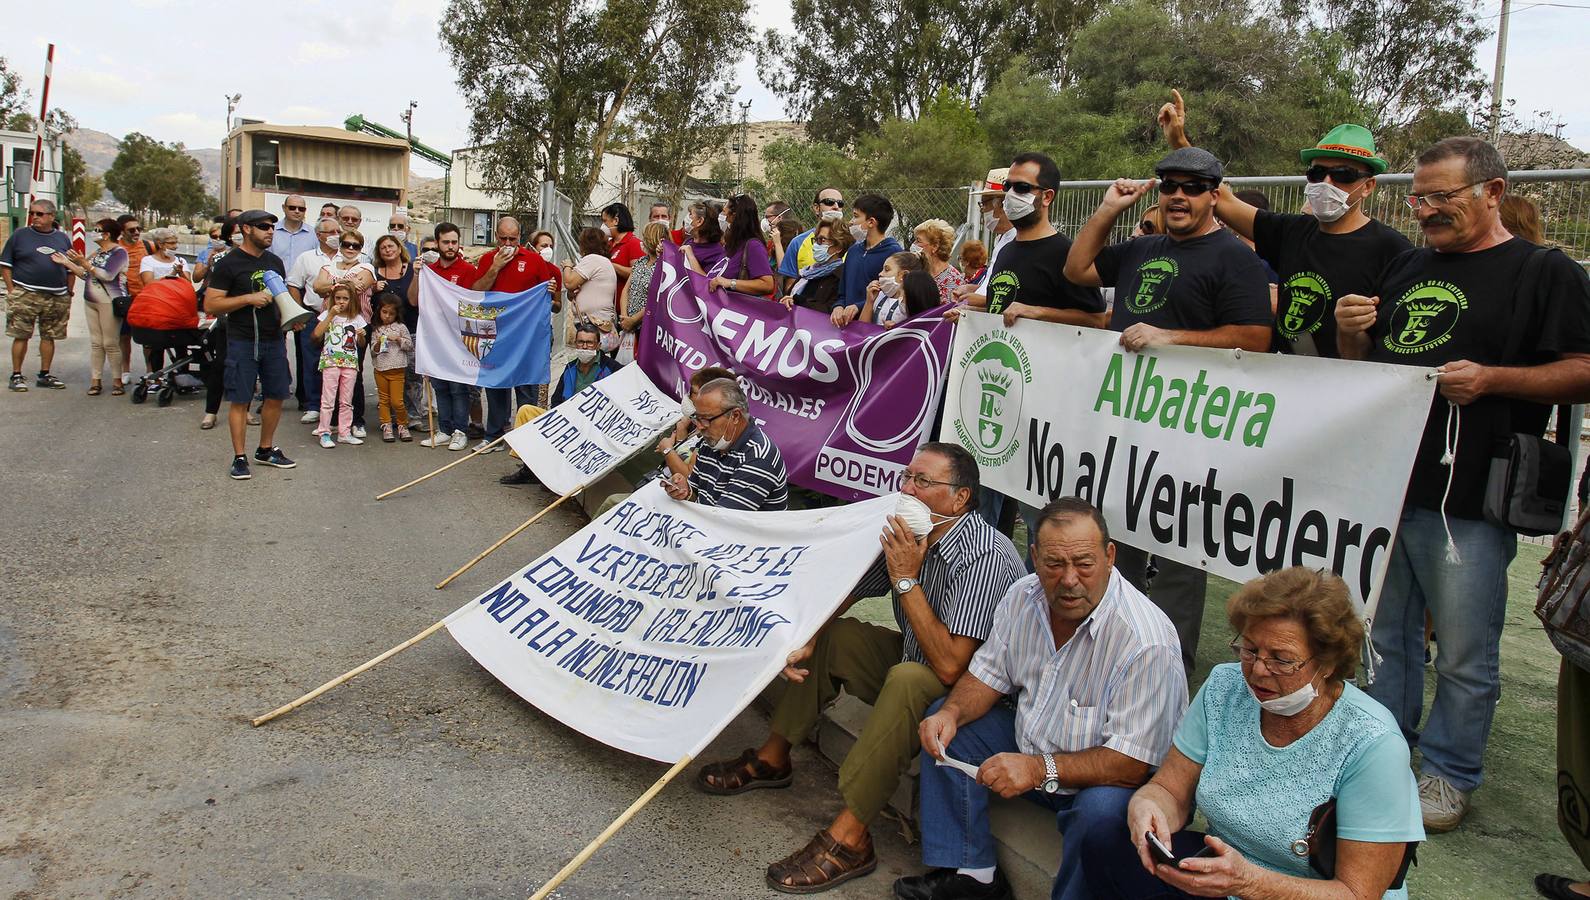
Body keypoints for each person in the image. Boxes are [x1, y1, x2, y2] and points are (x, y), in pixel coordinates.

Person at [1335, 136, 1590, 832]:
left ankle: (1447, 774)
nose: (1428, 212)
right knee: (1384, 639)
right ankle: (1380, 755)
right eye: (1419, 198)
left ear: (1494, 192)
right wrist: (1352, 333)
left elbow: (1583, 368)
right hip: (1392, 488)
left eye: (1443, 197)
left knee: (1465, 649)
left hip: (1473, 498)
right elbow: (1369, 372)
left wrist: (1493, 380)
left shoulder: (1544, 271)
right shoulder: (1409, 266)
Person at [695, 442, 1024, 893]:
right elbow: (848, 591)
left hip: (965, 692)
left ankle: (851, 834)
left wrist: (906, 577)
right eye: (906, 477)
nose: (907, 489)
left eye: (922, 481)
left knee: (908, 679)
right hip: (913, 655)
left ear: (960, 498)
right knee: (838, 636)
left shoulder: (985, 555)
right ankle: (774, 757)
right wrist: (807, 639)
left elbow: (950, 667)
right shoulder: (910, 530)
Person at [903, 497, 1186, 900]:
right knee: (947, 725)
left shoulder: (1145, 640)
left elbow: (1131, 764)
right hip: (1036, 746)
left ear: (1110, 556)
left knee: (1102, 815)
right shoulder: (1023, 596)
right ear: (1034, 557)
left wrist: (1038, 768)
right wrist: (951, 712)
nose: (1069, 579)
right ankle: (974, 873)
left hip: (1108, 778)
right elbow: (987, 675)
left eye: (1084, 564)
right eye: (1054, 564)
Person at [1086, 566, 1423, 900]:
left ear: (1328, 663)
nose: (1259, 670)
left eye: (1282, 659)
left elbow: (1357, 893)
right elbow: (1170, 790)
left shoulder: (1373, 744)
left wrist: (1250, 883)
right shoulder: (1225, 687)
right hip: (1226, 874)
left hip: (1299, 892)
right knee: (1105, 840)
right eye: (1249, 650)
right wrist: (1148, 807)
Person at [1065, 146, 1273, 675]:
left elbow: (1254, 337)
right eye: (1169, 185)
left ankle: (1166, 674)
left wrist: (1169, 338)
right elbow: (1077, 267)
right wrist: (1110, 207)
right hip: (1122, 426)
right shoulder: (1143, 248)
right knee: (1117, 542)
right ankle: (1110, 656)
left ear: (1213, 196)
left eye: (1193, 187)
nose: (1179, 196)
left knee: (1181, 553)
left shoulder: (1236, 259)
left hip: (1191, 431)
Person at [1167, 113, 1413, 358]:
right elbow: (1225, 200)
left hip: (1346, 386)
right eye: (1317, 173)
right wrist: (1181, 145)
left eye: (1343, 175)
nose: (1327, 183)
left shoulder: (1392, 249)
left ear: (1368, 186)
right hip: (1285, 376)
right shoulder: (1292, 231)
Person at [202, 209, 299, 480]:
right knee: (240, 400)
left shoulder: (274, 262)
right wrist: (247, 299)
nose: (270, 231)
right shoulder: (228, 264)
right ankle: (240, 456)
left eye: (271, 227)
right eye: (263, 226)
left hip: (273, 339)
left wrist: (292, 317)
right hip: (242, 340)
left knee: (277, 395)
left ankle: (265, 449)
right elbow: (211, 304)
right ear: (246, 229)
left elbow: (280, 297)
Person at [472, 215, 561, 451]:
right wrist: (495, 267)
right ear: (496, 237)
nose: (508, 244)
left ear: (520, 237)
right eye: (503, 239)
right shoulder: (487, 259)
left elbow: (554, 304)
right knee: (495, 385)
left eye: (513, 239)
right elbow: (476, 293)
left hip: (526, 338)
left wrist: (551, 292)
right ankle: (494, 435)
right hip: (495, 335)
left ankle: (525, 439)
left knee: (526, 386)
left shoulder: (534, 261)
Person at [498, 323, 621, 486]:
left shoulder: (612, 368)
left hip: (592, 428)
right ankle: (530, 468)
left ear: (598, 345)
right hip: (566, 420)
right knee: (526, 411)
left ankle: (546, 472)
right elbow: (556, 399)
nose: (584, 346)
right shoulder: (570, 367)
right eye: (581, 342)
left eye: (589, 343)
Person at [660, 378, 788, 511]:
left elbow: (723, 521)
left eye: (706, 419)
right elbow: (698, 495)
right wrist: (686, 492)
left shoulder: (759, 458)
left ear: (735, 416)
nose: (699, 426)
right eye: (697, 418)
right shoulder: (711, 441)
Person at [409, 223, 479, 451]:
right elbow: (413, 300)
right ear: (437, 243)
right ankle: (444, 429)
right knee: (440, 385)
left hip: (459, 341)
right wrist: (416, 273)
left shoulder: (468, 271)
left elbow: (475, 303)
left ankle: (460, 431)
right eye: (446, 242)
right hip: (435, 339)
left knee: (459, 388)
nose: (450, 246)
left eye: (454, 242)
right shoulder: (430, 271)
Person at [2, 198, 75, 391]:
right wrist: (12, 290)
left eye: (39, 214)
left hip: (56, 296)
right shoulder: (20, 236)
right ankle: (16, 375)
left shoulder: (62, 238)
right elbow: (5, 265)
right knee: (21, 335)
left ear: (51, 216)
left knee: (49, 336)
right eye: (32, 213)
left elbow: (70, 266)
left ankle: (45, 374)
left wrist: (69, 290)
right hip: (26, 294)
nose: (34, 217)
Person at [312, 230, 377, 437]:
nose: (350, 249)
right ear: (339, 245)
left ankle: (355, 421)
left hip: (356, 323)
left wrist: (331, 285)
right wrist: (343, 283)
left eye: (355, 245)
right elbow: (317, 286)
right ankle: (330, 422)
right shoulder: (328, 265)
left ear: (361, 248)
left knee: (352, 374)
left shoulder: (366, 267)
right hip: (331, 323)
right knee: (330, 373)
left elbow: (360, 287)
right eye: (346, 244)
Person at [52, 218, 128, 396]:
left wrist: (85, 264)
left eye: (97, 229)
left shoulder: (119, 253)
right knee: (95, 342)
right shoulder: (97, 253)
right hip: (91, 300)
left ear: (107, 234)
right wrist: (67, 263)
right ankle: (96, 380)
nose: (93, 232)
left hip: (109, 301)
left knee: (110, 342)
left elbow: (107, 275)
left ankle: (117, 381)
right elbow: (85, 275)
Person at [286, 218, 341, 423]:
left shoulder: (348, 256)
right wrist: (299, 311)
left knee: (337, 362)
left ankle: (336, 405)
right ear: (319, 235)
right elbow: (293, 284)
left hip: (339, 319)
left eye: (338, 231)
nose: (336, 235)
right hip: (313, 315)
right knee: (312, 361)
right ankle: (313, 405)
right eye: (330, 231)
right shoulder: (306, 258)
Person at [832, 193, 904, 327]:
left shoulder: (894, 253)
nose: (851, 222)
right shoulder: (853, 250)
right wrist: (838, 306)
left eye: (856, 216)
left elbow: (892, 293)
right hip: (846, 326)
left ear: (871, 222)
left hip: (873, 329)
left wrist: (859, 306)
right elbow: (842, 292)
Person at [311, 283, 367, 449]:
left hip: (349, 362)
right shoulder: (327, 315)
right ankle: (324, 432)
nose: (341, 302)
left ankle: (345, 432)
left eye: (345, 299)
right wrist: (330, 315)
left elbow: (361, 344)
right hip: (331, 362)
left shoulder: (357, 318)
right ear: (332, 299)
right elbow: (316, 334)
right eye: (338, 298)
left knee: (346, 401)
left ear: (352, 301)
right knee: (328, 400)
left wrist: (362, 336)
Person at [955, 168, 1015, 306]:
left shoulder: (1015, 241)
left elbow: (1009, 297)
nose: (982, 210)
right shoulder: (1001, 238)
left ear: (1001, 204)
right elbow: (993, 289)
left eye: (984, 204)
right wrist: (971, 289)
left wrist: (975, 300)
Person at [698, 195, 776, 297]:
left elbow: (767, 284)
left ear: (734, 216)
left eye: (724, 213)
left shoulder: (753, 246)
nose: (720, 218)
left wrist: (731, 283)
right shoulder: (731, 246)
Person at [616, 221, 668, 364]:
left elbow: (657, 300)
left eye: (645, 237)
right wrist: (625, 316)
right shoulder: (640, 262)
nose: (642, 241)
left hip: (646, 326)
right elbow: (627, 289)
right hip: (627, 324)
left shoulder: (664, 267)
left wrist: (634, 320)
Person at [777, 187, 846, 295]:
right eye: (829, 202)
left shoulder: (854, 244)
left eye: (840, 204)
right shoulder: (797, 243)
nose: (836, 207)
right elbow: (789, 287)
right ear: (816, 208)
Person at [561, 226, 619, 347]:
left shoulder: (592, 260)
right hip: (598, 320)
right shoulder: (604, 261)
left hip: (593, 323)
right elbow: (574, 290)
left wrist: (567, 266)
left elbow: (569, 282)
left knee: (591, 359)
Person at [781, 219, 854, 313]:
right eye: (815, 240)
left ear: (838, 247)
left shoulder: (840, 276)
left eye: (822, 240)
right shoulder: (808, 272)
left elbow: (828, 310)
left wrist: (798, 301)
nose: (816, 245)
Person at [406, 233, 440, 430]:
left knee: (438, 372)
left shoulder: (443, 271)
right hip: (419, 326)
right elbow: (412, 300)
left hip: (441, 328)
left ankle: (433, 407)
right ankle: (416, 413)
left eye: (434, 250)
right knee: (417, 373)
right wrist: (417, 273)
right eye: (426, 249)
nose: (430, 253)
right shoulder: (416, 269)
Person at [369, 293, 414, 443]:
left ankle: (402, 424)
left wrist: (398, 339)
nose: (387, 316)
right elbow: (373, 352)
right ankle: (386, 425)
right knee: (383, 400)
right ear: (379, 311)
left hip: (397, 369)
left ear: (397, 314)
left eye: (391, 313)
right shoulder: (377, 329)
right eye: (384, 312)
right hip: (381, 369)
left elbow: (409, 346)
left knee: (397, 401)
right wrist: (378, 344)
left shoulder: (401, 327)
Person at [115, 214, 148, 385]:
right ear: (122, 231)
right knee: (124, 336)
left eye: (138, 229)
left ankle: (151, 372)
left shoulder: (148, 246)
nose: (136, 232)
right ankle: (125, 370)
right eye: (131, 230)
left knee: (148, 338)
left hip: (145, 298)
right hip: (125, 298)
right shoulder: (115, 248)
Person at [860, 251, 924, 326]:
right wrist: (869, 302)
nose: (880, 274)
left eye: (887, 270)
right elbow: (861, 328)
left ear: (903, 275)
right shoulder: (879, 296)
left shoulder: (910, 303)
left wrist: (895, 328)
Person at [912, 218, 965, 304]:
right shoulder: (919, 270)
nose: (914, 245)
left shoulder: (952, 281)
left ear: (935, 247)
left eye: (918, 241)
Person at [269, 194, 317, 268]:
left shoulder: (314, 234)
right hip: (275, 278)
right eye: (292, 208)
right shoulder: (270, 230)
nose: (297, 211)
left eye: (301, 209)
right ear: (284, 208)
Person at [602, 202, 645, 282]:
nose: (603, 225)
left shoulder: (634, 243)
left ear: (616, 220)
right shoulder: (608, 244)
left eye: (605, 221)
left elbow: (638, 273)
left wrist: (612, 266)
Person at [685, 200, 726, 274]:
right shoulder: (689, 241)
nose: (687, 217)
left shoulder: (716, 253)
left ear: (700, 221)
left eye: (690, 214)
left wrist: (690, 255)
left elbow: (707, 281)